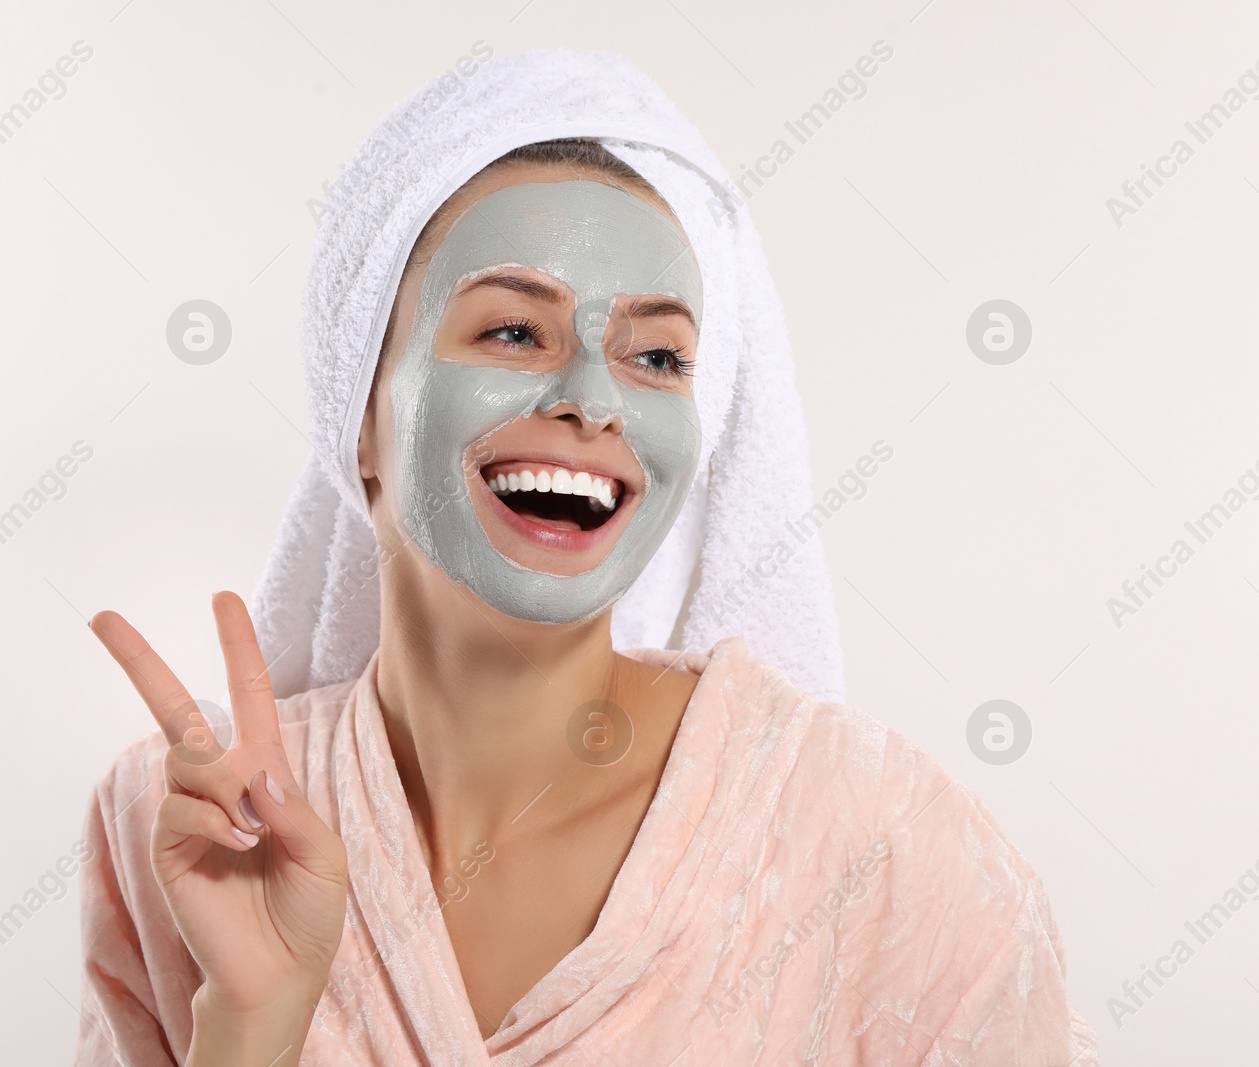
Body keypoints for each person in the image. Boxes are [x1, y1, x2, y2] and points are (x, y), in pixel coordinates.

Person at [74, 50, 1099, 1066]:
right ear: (360, 417)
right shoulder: (187, 830)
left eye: (656, 357)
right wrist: (250, 1026)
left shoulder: (886, 852)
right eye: (515, 330)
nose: (595, 400)